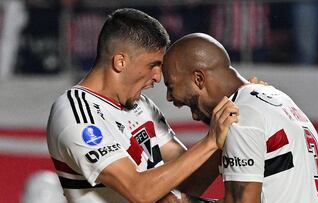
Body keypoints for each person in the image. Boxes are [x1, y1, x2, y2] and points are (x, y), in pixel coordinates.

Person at [47, 9, 239, 203]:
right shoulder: (76, 113)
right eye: (153, 65)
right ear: (120, 61)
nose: (158, 76)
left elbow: (188, 180)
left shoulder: (142, 106)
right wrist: (212, 141)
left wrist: (234, 123)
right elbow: (140, 191)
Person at [162, 33, 318, 203]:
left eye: (170, 85)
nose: (169, 97)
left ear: (198, 79)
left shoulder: (239, 116)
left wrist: (185, 201)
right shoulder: (276, 98)